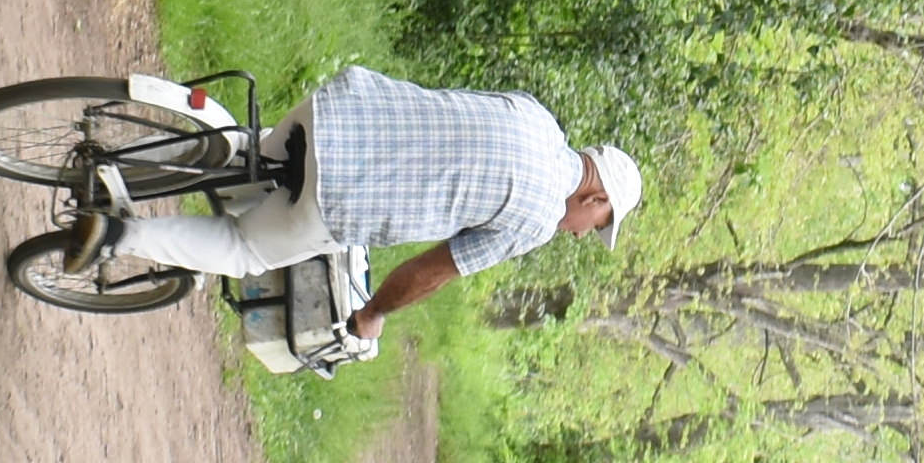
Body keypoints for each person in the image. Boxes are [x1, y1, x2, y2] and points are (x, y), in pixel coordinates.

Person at [100, 65, 639, 353]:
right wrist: (373, 313)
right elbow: (432, 271)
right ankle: (116, 236)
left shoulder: (538, 116)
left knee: (248, 152)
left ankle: (110, 162)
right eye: (597, 225)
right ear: (596, 199)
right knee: (245, 250)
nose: (580, 234)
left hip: (337, 107)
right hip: (340, 198)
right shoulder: (538, 219)